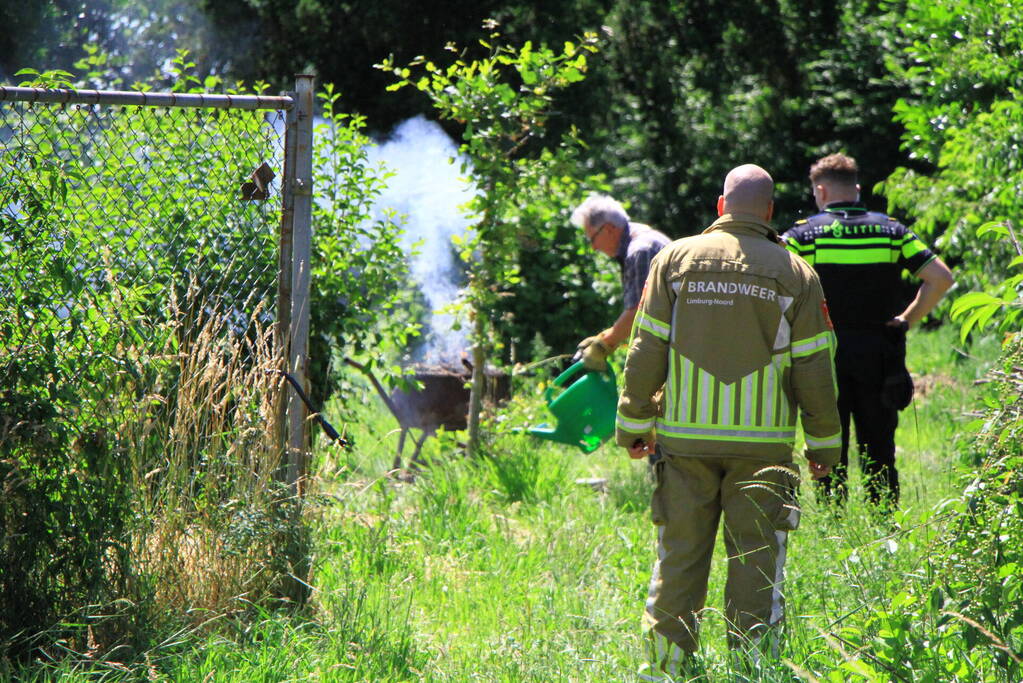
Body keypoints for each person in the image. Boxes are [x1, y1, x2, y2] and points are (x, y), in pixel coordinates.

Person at [616, 164, 841, 677]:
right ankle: (753, 667)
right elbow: (815, 367)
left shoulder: (674, 259)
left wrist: (633, 422)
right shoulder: (796, 273)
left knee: (679, 560)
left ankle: (669, 668)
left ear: (721, 207)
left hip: (684, 445)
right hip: (763, 452)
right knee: (757, 564)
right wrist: (825, 446)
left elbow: (646, 347)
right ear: (768, 212)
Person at [782, 153, 954, 507]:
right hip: (879, 350)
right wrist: (907, 319)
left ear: (821, 190)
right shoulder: (891, 230)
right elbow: (941, 278)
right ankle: (884, 520)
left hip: (823, 351)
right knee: (879, 446)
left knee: (830, 443)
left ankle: (833, 520)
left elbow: (777, 284)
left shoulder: (805, 234)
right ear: (857, 189)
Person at [571, 195, 670, 370]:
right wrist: (606, 335)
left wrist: (603, 344)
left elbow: (640, 312)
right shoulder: (644, 239)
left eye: (592, 239)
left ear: (608, 229)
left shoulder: (639, 251)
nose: (593, 247)